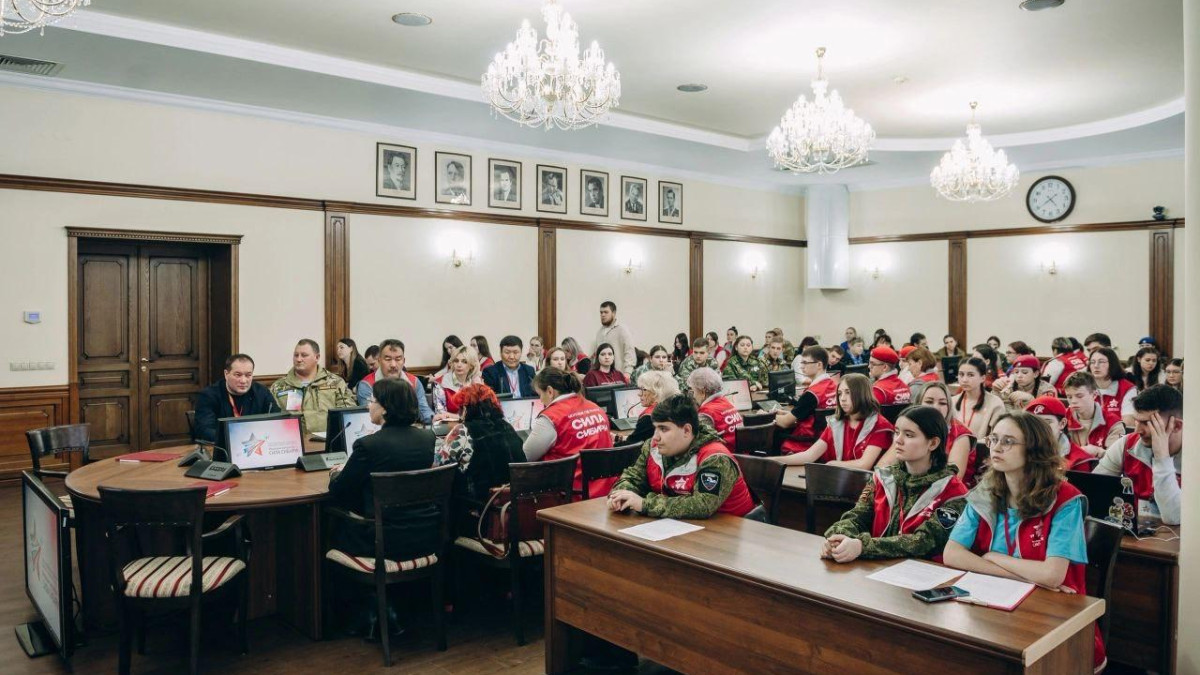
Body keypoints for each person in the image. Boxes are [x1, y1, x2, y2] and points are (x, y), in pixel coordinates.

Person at [942, 411, 1105, 672]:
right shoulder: (986, 491)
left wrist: (993, 557)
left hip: (1058, 620)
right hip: (997, 604)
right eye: (994, 438)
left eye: (1008, 441)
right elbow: (952, 554)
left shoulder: (1065, 499)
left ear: (1034, 450)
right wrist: (1025, 577)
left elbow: (1052, 576)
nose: (996, 447)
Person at [823, 405, 968, 563]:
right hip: (875, 566)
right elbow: (857, 516)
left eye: (909, 435)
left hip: (920, 571)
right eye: (897, 432)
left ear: (933, 443)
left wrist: (862, 546)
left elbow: (925, 541)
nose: (898, 440)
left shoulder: (954, 493)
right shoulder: (883, 477)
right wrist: (838, 538)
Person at [328, 377, 438, 568]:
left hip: (381, 542)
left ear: (385, 408)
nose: (368, 406)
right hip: (424, 537)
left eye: (372, 401)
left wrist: (336, 474)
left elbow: (339, 490)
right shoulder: (427, 438)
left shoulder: (368, 445)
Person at [608, 394, 754, 518]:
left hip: (728, 533)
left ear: (686, 430)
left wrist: (644, 504)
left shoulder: (716, 458)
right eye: (655, 428)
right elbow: (633, 477)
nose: (656, 437)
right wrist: (620, 495)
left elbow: (702, 505)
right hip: (682, 530)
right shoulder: (653, 447)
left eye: (663, 429)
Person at [1093, 385, 1183, 525]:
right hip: (1134, 534)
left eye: (1147, 423)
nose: (1137, 430)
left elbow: (1173, 517)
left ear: (1176, 426)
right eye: (1136, 420)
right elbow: (1094, 490)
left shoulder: (1194, 457)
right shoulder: (1126, 444)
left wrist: (1162, 458)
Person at [522, 367, 614, 498]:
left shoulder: (551, 417)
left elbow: (525, 457)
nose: (541, 400)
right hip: (606, 491)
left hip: (570, 494)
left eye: (540, 394)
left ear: (550, 391)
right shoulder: (596, 408)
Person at [774, 374, 894, 470]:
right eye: (840, 393)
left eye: (848, 392)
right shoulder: (837, 423)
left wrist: (832, 464)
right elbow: (809, 455)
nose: (842, 399)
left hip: (865, 486)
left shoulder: (879, 425)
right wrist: (772, 461)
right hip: (840, 479)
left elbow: (864, 465)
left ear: (862, 395)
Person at [435, 384, 526, 501]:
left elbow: (439, 467)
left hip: (476, 502)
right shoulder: (507, 426)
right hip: (513, 500)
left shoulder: (462, 431)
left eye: (460, 408)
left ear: (466, 409)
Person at [878, 381, 977, 486]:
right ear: (918, 405)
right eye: (929, 402)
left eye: (942, 403)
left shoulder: (961, 435)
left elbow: (952, 479)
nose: (936, 407)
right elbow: (883, 467)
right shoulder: (907, 427)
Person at [270, 339, 356, 433]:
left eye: (304, 355)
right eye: (296, 355)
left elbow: (348, 413)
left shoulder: (335, 382)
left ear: (317, 357)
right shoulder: (279, 387)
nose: (299, 359)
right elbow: (271, 419)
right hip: (293, 439)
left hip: (329, 439)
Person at [194, 354, 280, 443]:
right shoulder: (209, 395)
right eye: (238, 375)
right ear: (226, 374)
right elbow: (205, 430)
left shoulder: (261, 392)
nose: (243, 381)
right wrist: (236, 438)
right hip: (224, 446)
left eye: (248, 375)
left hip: (257, 443)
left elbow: (278, 421)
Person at [776, 346, 840, 455]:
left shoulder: (811, 394)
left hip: (806, 444)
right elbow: (812, 414)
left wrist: (766, 416)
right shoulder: (834, 386)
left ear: (819, 365)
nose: (801, 366)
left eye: (805, 363)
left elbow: (785, 423)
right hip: (829, 441)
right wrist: (785, 413)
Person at [355, 339, 434, 425]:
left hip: (409, 430)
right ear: (379, 361)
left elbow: (424, 411)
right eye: (388, 359)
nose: (393, 365)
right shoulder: (366, 385)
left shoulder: (414, 382)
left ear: (404, 361)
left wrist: (435, 419)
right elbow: (369, 418)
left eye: (398, 359)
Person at [1062, 372, 1124, 460]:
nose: (1073, 401)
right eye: (1069, 397)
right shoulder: (1062, 418)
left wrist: (1098, 451)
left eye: (1079, 396)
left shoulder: (1114, 423)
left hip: (1099, 468)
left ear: (1094, 395)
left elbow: (1117, 459)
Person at [1026, 396, 1095, 472]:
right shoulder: (1020, 451)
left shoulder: (1078, 461)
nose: (1039, 428)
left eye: (1047, 422)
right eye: (1034, 423)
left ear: (1062, 423)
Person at [688, 367, 744, 450]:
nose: (693, 396)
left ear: (702, 392)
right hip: (742, 452)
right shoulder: (726, 402)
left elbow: (697, 444)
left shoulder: (706, 412)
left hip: (728, 455)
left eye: (693, 391)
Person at [624, 370, 681, 447]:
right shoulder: (673, 408)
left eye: (644, 390)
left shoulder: (649, 418)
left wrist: (613, 441)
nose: (639, 394)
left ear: (657, 392)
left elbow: (630, 446)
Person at [952, 357, 1005, 439]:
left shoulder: (995, 403)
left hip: (981, 446)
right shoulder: (952, 401)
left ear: (983, 378)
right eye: (961, 374)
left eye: (970, 375)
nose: (964, 380)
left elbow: (996, 437)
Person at [1088, 347, 1138, 427]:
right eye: (1092, 362)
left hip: (1117, 433)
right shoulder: (1085, 386)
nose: (1096, 366)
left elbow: (1128, 423)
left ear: (1112, 364)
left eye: (1101, 362)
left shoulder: (1127, 389)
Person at [433, 346, 483, 418]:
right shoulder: (441, 383)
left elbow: (481, 412)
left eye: (464, 362)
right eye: (456, 361)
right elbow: (440, 413)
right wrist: (462, 417)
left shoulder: (475, 382)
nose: (459, 365)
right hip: (448, 424)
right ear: (452, 363)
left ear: (471, 366)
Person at [593, 301, 636, 377]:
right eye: (601, 312)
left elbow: (629, 352)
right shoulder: (599, 332)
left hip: (619, 375)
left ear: (613, 313)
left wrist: (628, 372)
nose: (603, 315)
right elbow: (597, 355)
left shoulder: (622, 330)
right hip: (602, 376)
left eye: (606, 312)